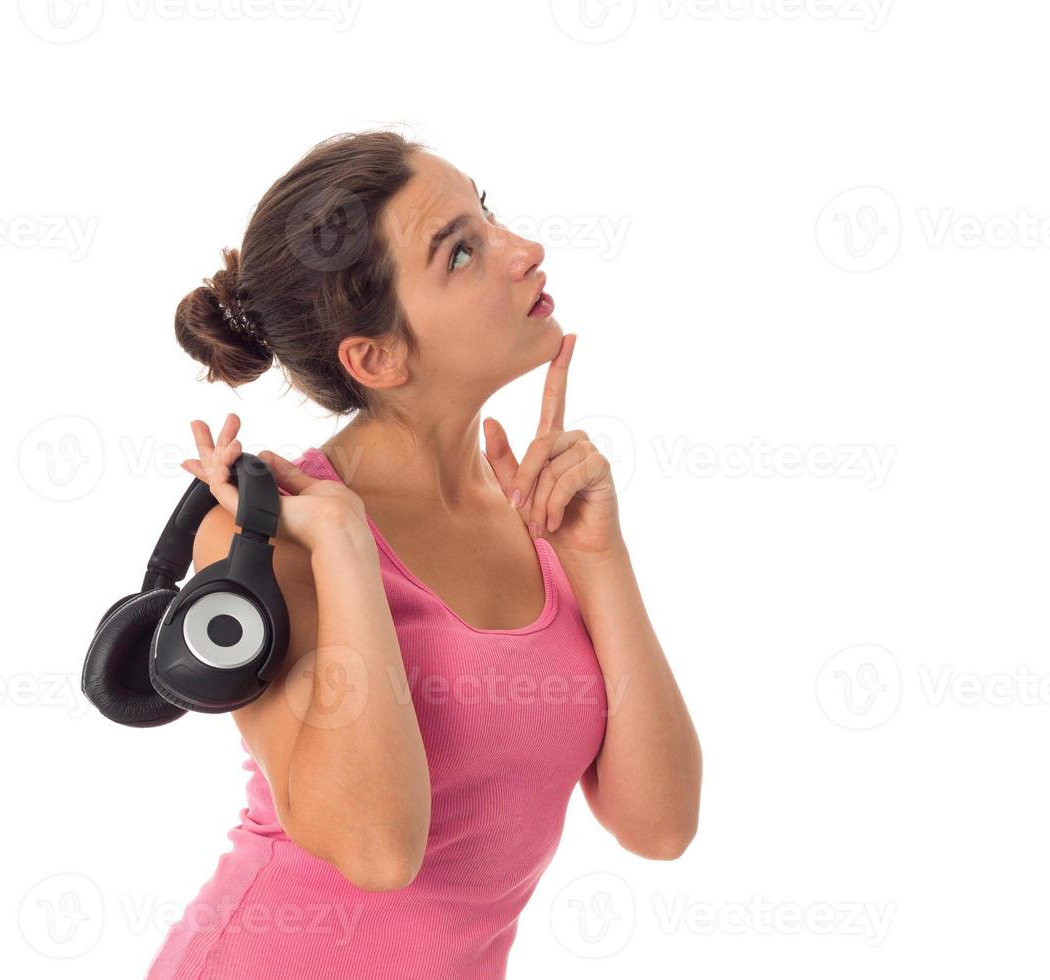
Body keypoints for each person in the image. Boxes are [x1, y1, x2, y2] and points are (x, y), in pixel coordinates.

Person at [147, 129, 702, 979]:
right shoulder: (270, 534)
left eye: (488, 214)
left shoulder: (534, 510)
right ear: (376, 357)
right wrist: (345, 551)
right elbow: (375, 850)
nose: (524, 251)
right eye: (461, 253)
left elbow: (659, 825)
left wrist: (601, 558)